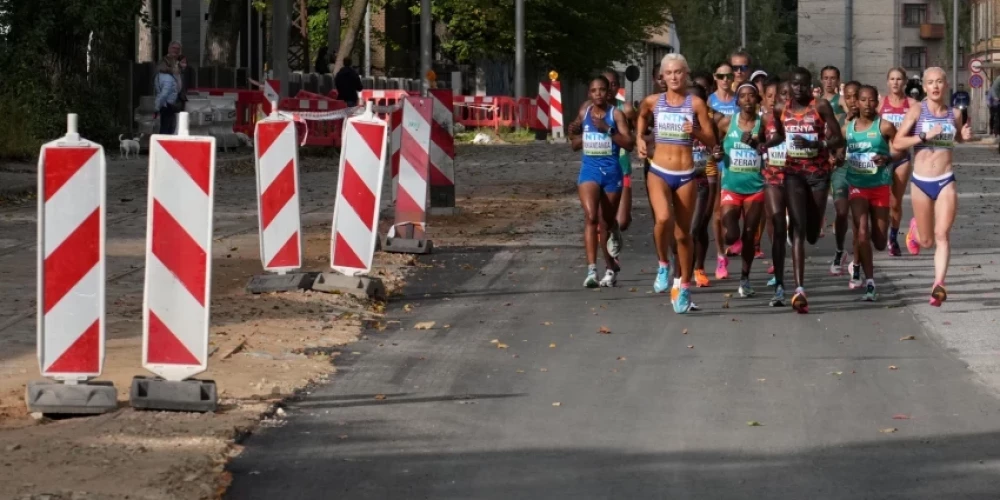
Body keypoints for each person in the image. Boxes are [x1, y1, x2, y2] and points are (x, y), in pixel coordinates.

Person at [636, 53, 716, 314]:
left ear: (686, 73)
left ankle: (683, 286)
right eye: (668, 73)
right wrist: (639, 139)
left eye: (678, 72)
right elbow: (642, 116)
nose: (673, 77)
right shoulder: (653, 102)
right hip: (658, 170)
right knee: (662, 220)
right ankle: (662, 263)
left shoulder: (696, 105)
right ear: (662, 76)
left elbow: (712, 141)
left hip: (685, 174)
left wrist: (693, 131)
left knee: (683, 234)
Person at [764, 67, 846, 313]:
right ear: (790, 85)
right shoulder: (782, 109)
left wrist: (817, 142)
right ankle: (799, 289)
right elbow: (778, 137)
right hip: (793, 173)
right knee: (798, 229)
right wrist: (762, 143)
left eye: (803, 85)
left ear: (810, 85)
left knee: (811, 232)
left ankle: (810, 228)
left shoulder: (820, 107)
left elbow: (838, 139)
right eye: (795, 85)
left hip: (818, 174)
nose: (799, 89)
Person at [893, 67, 972, 306]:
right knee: (927, 241)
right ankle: (915, 232)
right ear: (925, 87)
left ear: (946, 85)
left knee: (942, 235)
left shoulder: (955, 114)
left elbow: (957, 137)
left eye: (939, 82)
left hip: (946, 179)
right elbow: (897, 142)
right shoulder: (917, 110)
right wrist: (923, 137)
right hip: (921, 182)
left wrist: (966, 137)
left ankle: (938, 285)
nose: (935, 86)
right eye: (930, 83)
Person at [568, 75, 634, 288]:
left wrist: (608, 129)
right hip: (589, 170)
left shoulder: (617, 115)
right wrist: (577, 136)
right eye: (594, 90)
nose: (598, 94)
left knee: (606, 222)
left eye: (602, 90)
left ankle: (609, 265)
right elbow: (575, 141)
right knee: (590, 217)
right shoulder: (584, 111)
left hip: (612, 172)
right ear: (589, 93)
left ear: (609, 93)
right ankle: (591, 270)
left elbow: (629, 144)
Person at [713, 83, 766, 298]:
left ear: (757, 99)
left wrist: (756, 144)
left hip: (755, 188)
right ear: (737, 101)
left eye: (751, 96)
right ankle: (732, 245)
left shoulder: (764, 125)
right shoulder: (727, 123)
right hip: (731, 187)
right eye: (742, 96)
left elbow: (769, 148)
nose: (747, 100)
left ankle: (745, 277)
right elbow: (716, 146)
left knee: (750, 233)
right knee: (731, 234)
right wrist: (716, 153)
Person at [845, 85, 898, 301]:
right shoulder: (847, 128)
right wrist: (836, 156)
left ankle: (857, 260)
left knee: (878, 242)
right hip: (856, 186)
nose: (867, 104)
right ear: (856, 102)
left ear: (877, 102)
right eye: (863, 100)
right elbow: (837, 148)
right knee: (862, 231)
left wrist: (888, 158)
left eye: (871, 100)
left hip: (879, 187)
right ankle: (870, 282)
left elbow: (900, 147)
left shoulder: (884, 127)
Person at [880, 67, 920, 257]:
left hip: (901, 159)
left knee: (895, 203)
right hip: (881, 159)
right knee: (882, 202)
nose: (895, 82)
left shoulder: (912, 104)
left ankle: (893, 237)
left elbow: (921, 131)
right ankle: (880, 233)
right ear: (887, 82)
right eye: (892, 79)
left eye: (899, 79)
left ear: (904, 82)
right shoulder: (880, 104)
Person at [762, 78, 790, 304]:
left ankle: (797, 280)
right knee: (778, 224)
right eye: (774, 95)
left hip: (798, 179)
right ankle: (779, 283)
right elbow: (758, 145)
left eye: (783, 95)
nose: (779, 100)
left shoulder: (802, 119)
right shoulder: (764, 120)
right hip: (772, 178)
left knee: (802, 232)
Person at [708, 62, 737, 280]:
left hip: (738, 162)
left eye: (729, 76)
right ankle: (720, 256)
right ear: (715, 78)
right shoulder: (709, 101)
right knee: (717, 212)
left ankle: (733, 236)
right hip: (717, 161)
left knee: (734, 212)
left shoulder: (741, 99)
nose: (725, 80)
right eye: (721, 76)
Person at [829, 80, 860, 278]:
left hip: (862, 173)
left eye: (856, 96)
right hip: (841, 171)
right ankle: (840, 250)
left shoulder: (872, 120)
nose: (852, 100)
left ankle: (857, 261)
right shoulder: (838, 119)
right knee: (841, 212)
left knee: (859, 220)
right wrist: (834, 156)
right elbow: (830, 143)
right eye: (848, 97)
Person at [154, 58, 180, 134]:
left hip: (164, 105)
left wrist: (157, 106)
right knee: (168, 128)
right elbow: (164, 93)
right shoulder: (168, 78)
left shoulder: (158, 76)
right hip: (168, 105)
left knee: (165, 126)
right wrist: (157, 106)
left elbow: (160, 92)